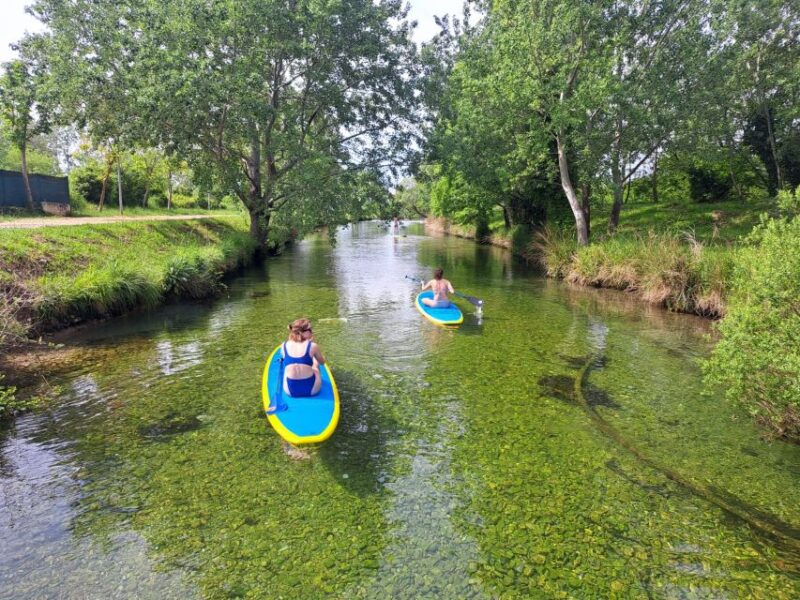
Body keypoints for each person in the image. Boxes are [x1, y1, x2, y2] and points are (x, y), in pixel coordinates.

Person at [282, 318, 326, 397]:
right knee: (315, 364)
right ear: (301, 332)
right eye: (310, 330)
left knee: (286, 368)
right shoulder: (313, 346)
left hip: (290, 390)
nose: (312, 332)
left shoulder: (283, 346)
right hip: (312, 389)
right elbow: (322, 362)